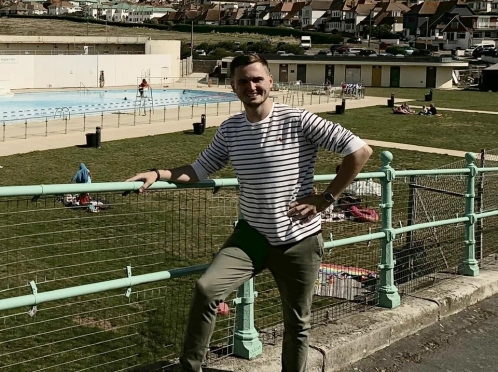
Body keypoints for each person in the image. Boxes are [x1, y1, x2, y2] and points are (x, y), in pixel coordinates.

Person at [126, 53, 372, 372]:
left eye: (257, 79)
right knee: (206, 289)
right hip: (251, 237)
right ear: (233, 87)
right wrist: (158, 173)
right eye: (243, 81)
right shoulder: (230, 130)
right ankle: (190, 368)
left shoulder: (299, 119)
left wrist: (326, 198)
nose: (251, 86)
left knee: (297, 324)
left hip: (299, 240)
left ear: (271, 81)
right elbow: (199, 169)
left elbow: (360, 150)